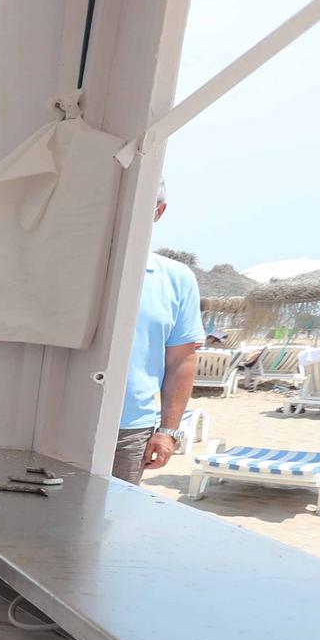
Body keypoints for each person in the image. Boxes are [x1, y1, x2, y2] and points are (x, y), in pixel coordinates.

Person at [114, 179, 202, 484]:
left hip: (129, 430)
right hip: (57, 421)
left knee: (112, 520)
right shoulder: (67, 267)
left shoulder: (177, 278)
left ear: (158, 211)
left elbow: (181, 360)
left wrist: (168, 430)